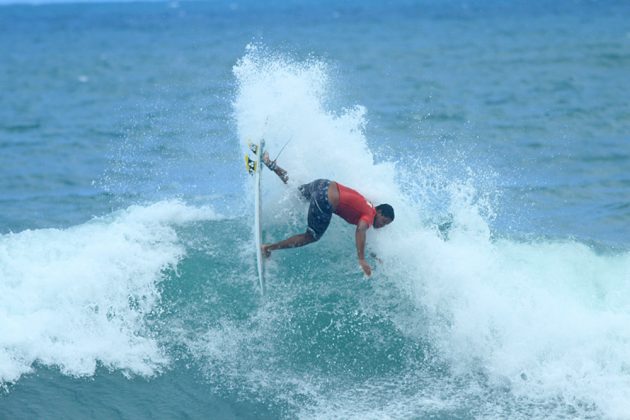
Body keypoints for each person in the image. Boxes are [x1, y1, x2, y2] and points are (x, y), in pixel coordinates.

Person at [261, 151, 395, 277]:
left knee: (298, 192)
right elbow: (361, 229)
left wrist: (374, 256)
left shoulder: (368, 205)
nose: (381, 225)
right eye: (383, 221)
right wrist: (361, 259)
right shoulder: (370, 216)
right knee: (311, 236)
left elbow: (364, 236)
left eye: (385, 225)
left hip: (322, 184)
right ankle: (267, 248)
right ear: (379, 211)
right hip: (325, 199)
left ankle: (270, 163)